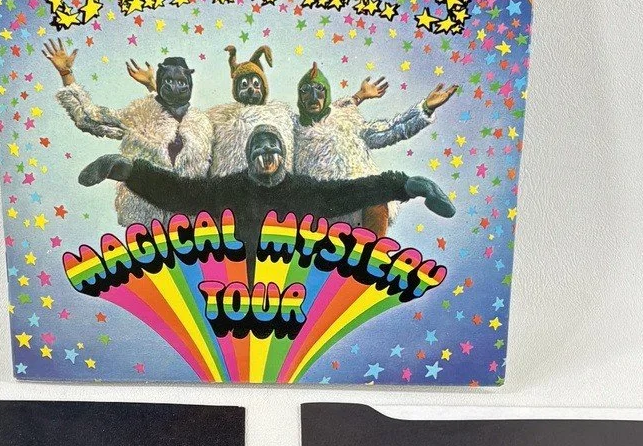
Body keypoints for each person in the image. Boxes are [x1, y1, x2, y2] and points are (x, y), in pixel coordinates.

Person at [77, 123, 454, 282]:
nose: (266, 154)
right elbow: (180, 194)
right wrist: (126, 169)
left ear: (283, 155)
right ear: (248, 156)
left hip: (292, 288)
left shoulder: (305, 190)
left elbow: (353, 191)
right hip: (235, 288)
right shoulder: (228, 189)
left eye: (273, 147)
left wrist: (408, 184)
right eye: (258, 148)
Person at [43, 41, 212, 225]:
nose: (175, 87)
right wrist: (66, 74)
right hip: (146, 218)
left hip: (191, 222)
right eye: (169, 81)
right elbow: (90, 117)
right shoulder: (140, 114)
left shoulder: (202, 124)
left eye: (181, 82)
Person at [293, 64, 460, 236]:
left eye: (319, 90)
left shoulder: (346, 122)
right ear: (300, 97)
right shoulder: (294, 129)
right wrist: (359, 95)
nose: (313, 97)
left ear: (326, 94)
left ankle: (376, 245)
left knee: (378, 198)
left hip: (362, 197)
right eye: (306, 91)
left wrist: (425, 108)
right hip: (323, 209)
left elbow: (391, 129)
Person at [206, 44, 296, 176]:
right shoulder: (224, 119)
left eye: (255, 84)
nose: (250, 89)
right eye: (244, 85)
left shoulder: (279, 116)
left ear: (264, 88)